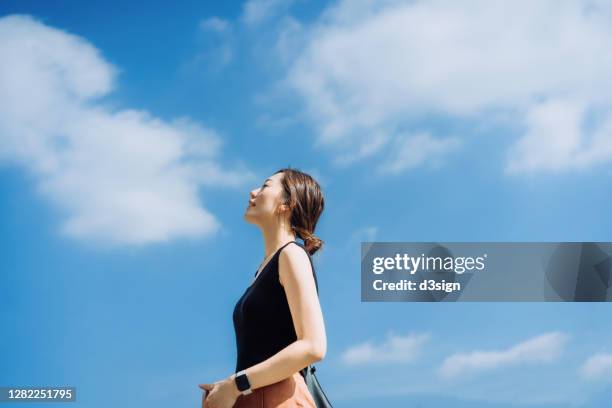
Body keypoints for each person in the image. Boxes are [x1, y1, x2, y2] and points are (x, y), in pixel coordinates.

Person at [199, 167, 327, 408]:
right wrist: (225, 390)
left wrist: (236, 384)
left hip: (280, 397)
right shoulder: (261, 271)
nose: (253, 192)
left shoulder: (291, 254)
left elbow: (313, 346)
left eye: (266, 186)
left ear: (286, 205)